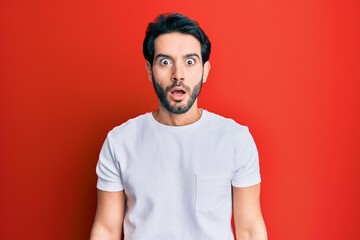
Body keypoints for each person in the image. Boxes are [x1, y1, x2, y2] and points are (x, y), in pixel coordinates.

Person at [90, 13, 267, 240]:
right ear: (149, 70)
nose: (178, 75)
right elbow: (106, 229)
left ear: (205, 71)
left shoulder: (235, 139)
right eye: (165, 62)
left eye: (190, 61)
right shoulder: (120, 141)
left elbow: (250, 230)